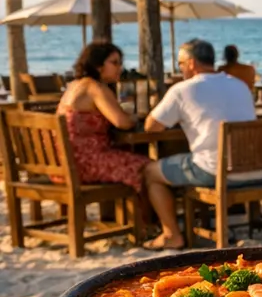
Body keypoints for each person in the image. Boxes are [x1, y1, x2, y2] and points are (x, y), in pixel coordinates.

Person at [55, 43, 179, 244]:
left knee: (135, 159)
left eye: (120, 62)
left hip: (65, 163)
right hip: (86, 163)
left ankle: (141, 223)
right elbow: (121, 121)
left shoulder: (75, 85)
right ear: (97, 65)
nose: (119, 67)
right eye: (114, 63)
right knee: (147, 167)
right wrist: (136, 118)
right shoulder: (95, 87)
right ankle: (154, 227)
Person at [142, 39, 261, 250]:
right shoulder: (239, 84)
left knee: (150, 172)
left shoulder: (182, 90)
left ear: (191, 63)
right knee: (198, 158)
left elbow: (151, 126)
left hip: (217, 172)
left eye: (180, 63)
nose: (180, 68)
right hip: (258, 170)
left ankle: (171, 234)